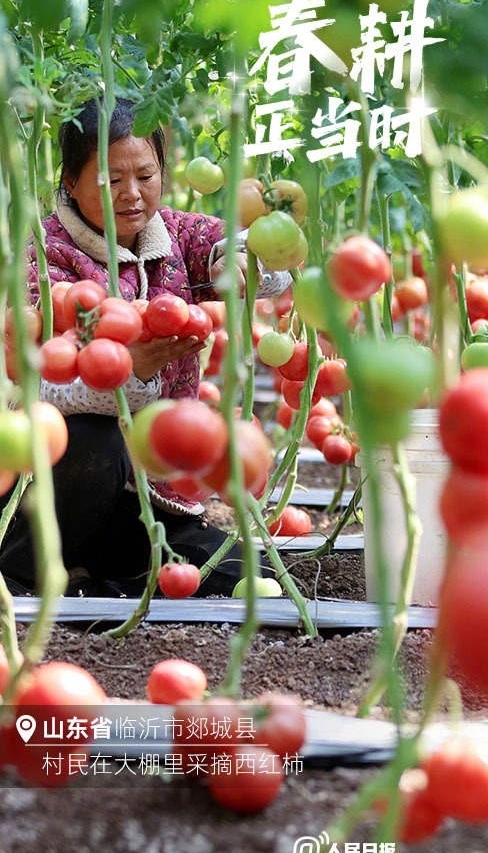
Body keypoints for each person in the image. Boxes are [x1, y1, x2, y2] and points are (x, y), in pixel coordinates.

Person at [0, 97, 290, 597]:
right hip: (57, 487)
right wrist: (126, 370)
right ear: (70, 181)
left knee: (247, 573)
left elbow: (264, 256)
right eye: (110, 180)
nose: (131, 194)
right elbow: (39, 389)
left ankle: (99, 570)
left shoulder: (177, 234)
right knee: (97, 440)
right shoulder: (44, 260)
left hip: (150, 496)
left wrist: (241, 263)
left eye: (145, 176)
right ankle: (22, 568)